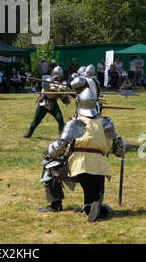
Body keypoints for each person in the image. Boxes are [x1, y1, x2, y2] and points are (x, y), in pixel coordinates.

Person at [38, 64, 130, 221]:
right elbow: (118, 150)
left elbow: (58, 149)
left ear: (78, 102)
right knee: (93, 190)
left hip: (78, 168)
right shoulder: (106, 122)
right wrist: (125, 145)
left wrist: (47, 154)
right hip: (99, 170)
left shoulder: (75, 123)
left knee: (49, 167)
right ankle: (92, 205)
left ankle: (55, 204)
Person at [23, 66, 68, 138]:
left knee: (60, 119)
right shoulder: (49, 80)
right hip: (44, 102)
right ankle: (29, 133)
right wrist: (57, 86)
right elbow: (47, 87)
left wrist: (65, 98)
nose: (60, 78)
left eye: (61, 76)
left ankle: (61, 137)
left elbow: (62, 95)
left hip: (53, 104)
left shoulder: (61, 84)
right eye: (59, 76)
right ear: (55, 75)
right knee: (36, 121)